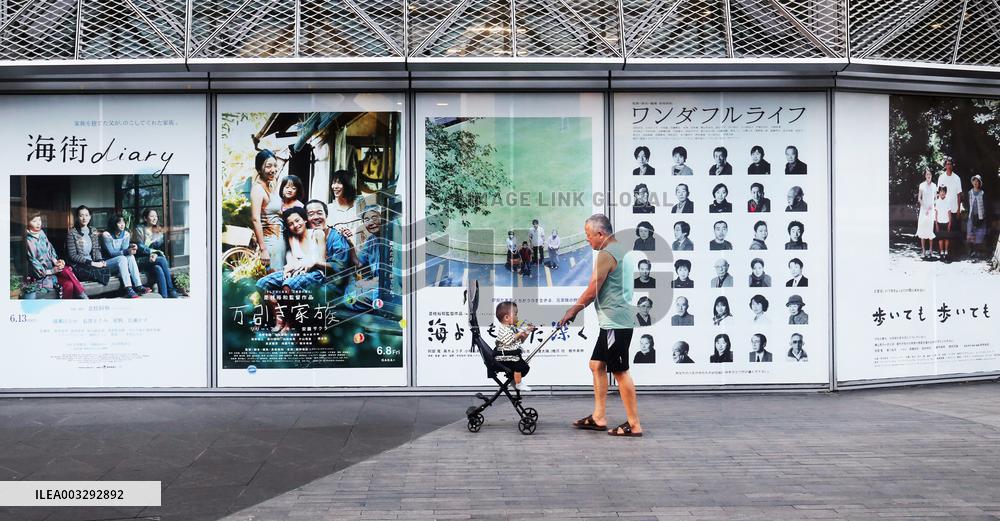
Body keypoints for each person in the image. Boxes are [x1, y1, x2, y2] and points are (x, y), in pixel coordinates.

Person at [561, 214, 643, 437]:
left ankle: (634, 424)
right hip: (612, 322)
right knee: (596, 365)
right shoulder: (621, 250)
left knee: (619, 371)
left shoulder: (607, 254)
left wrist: (572, 311)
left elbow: (592, 288)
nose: (587, 240)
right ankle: (598, 418)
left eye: (588, 235)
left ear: (600, 234)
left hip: (616, 323)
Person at [256, 206, 328, 294]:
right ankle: (276, 307)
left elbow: (322, 261)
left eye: (297, 220)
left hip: (316, 273)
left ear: (305, 220)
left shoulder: (318, 233)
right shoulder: (292, 238)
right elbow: (295, 261)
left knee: (288, 285)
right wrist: (288, 270)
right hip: (298, 271)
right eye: (290, 224)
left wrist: (311, 264)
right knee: (261, 284)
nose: (295, 225)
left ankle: (288, 306)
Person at [24, 212, 87, 299]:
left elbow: (50, 250)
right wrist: (52, 271)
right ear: (27, 223)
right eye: (34, 221)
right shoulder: (28, 240)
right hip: (41, 277)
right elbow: (33, 262)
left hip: (53, 273)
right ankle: (82, 294)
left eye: (39, 220)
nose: (38, 223)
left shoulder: (41, 233)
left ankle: (67, 308)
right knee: (66, 271)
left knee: (69, 284)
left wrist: (57, 262)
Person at [250, 149, 286, 271]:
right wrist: (263, 249)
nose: (273, 169)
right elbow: (255, 219)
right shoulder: (258, 189)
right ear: (259, 169)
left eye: (275, 165)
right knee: (272, 281)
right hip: (270, 243)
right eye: (268, 166)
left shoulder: (270, 184)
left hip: (279, 239)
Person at [101, 214, 151, 299]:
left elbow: (125, 250)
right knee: (122, 258)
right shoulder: (106, 235)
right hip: (107, 263)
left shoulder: (126, 234)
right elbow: (111, 253)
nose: (122, 224)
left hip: (121, 263)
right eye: (119, 222)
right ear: (114, 223)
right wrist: (126, 251)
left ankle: (138, 286)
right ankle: (128, 288)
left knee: (130, 257)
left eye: (123, 222)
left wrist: (131, 247)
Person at [134, 208, 180, 299]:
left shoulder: (158, 230)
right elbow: (139, 247)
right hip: (140, 260)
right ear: (145, 218)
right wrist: (152, 252)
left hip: (154, 260)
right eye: (152, 216)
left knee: (158, 268)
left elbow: (159, 247)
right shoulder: (139, 229)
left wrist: (155, 254)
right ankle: (171, 289)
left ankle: (164, 296)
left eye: (156, 216)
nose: (155, 218)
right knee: (162, 260)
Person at [65, 205, 113, 288]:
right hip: (79, 265)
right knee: (94, 272)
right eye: (81, 215)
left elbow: (96, 249)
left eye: (86, 215)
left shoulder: (93, 230)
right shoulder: (72, 233)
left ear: (90, 217)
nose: (84, 218)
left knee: (105, 269)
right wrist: (92, 263)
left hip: (93, 263)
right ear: (77, 217)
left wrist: (100, 260)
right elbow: (73, 255)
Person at [494, 301, 535, 392]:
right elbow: (508, 341)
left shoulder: (512, 328)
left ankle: (514, 381)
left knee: (524, 367)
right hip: (505, 357)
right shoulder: (503, 329)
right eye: (515, 314)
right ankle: (518, 384)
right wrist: (520, 333)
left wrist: (527, 331)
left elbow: (520, 341)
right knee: (520, 366)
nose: (517, 317)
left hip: (512, 355)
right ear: (507, 317)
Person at [328, 169, 366, 241]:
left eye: (339, 183)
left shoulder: (359, 202)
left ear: (347, 185)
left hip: (360, 247)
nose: (335, 186)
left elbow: (368, 222)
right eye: (333, 183)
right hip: (340, 248)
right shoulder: (329, 208)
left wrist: (353, 231)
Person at [937, 158, 963, 242]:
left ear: (952, 166)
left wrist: (959, 209)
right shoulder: (941, 177)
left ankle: (953, 251)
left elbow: (959, 195)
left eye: (950, 164)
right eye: (947, 164)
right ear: (945, 166)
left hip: (954, 209)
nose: (948, 166)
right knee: (944, 231)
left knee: (953, 230)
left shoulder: (957, 178)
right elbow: (939, 194)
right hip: (943, 209)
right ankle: (944, 251)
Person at [966, 175, 990, 260]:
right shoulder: (970, 192)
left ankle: (977, 251)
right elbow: (967, 204)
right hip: (971, 216)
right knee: (970, 233)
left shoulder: (982, 193)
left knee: (979, 234)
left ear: (979, 183)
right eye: (974, 181)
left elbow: (985, 205)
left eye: (977, 181)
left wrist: (984, 216)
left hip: (980, 216)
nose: (976, 183)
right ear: (972, 182)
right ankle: (972, 251)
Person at [916, 168, 937, 259]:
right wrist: (924, 206)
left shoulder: (934, 186)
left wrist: (931, 206)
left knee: (930, 230)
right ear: (925, 176)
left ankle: (931, 250)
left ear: (931, 176)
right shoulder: (921, 185)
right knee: (922, 229)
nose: (928, 176)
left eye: (930, 174)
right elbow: (919, 198)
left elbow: (936, 198)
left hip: (931, 210)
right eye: (927, 174)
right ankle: (923, 250)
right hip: (923, 210)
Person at [934, 186, 953, 261]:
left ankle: (946, 252)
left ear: (946, 193)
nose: (942, 193)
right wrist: (936, 223)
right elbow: (936, 213)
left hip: (946, 222)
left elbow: (949, 213)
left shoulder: (948, 201)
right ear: (939, 192)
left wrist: (949, 223)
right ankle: (941, 252)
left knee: (946, 238)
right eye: (941, 191)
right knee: (940, 239)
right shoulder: (937, 201)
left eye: (943, 191)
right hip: (939, 222)